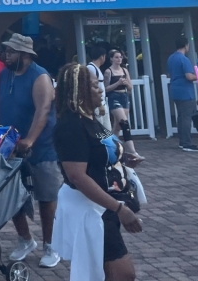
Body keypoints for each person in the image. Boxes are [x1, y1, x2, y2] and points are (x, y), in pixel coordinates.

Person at [51, 63, 142, 281]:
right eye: (94, 86)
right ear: (79, 90)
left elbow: (97, 152)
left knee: (107, 273)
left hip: (104, 204)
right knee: (121, 274)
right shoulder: (71, 126)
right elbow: (77, 176)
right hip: (91, 208)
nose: (100, 89)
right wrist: (119, 208)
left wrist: (120, 157)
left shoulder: (89, 120)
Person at [0, 34, 61, 268]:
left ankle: (51, 244)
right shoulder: (4, 74)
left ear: (25, 55)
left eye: (12, 52)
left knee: (46, 198)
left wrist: (30, 139)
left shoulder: (40, 76)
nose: (6, 55)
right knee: (11, 195)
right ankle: (25, 239)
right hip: (9, 146)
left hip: (41, 147)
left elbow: (43, 110)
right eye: (6, 50)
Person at [103, 50, 144, 165]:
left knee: (117, 127)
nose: (119, 59)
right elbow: (105, 89)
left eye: (120, 57)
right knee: (124, 123)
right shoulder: (108, 71)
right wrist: (117, 83)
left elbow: (130, 88)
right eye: (116, 57)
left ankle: (110, 148)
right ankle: (133, 151)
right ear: (111, 59)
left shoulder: (125, 70)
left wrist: (126, 83)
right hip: (114, 97)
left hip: (124, 96)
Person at [167, 36, 198, 152]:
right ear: (186, 45)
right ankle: (187, 142)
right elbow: (189, 76)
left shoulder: (171, 58)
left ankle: (182, 141)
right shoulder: (184, 59)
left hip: (175, 89)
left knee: (181, 117)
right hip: (185, 91)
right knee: (186, 117)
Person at [86, 45, 111, 130]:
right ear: (102, 56)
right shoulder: (91, 68)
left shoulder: (96, 68)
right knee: (101, 131)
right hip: (98, 105)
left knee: (107, 131)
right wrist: (100, 105)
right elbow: (92, 87)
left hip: (102, 103)